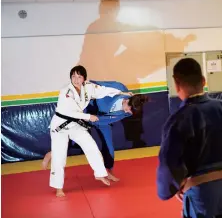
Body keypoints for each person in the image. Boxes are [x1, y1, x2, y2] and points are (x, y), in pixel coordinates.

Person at [156, 58, 222, 217]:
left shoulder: (178, 121)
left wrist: (172, 187)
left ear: (177, 85)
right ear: (203, 81)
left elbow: (169, 164)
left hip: (200, 200)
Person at [49, 65, 132, 197]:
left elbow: (104, 91)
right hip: (61, 126)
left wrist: (122, 93)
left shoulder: (88, 88)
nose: (76, 79)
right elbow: (69, 112)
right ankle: (58, 187)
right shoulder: (65, 92)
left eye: (79, 76)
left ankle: (100, 174)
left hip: (75, 125)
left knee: (91, 146)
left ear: (84, 78)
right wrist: (89, 117)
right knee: (60, 157)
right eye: (73, 76)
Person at [43, 81, 148, 182]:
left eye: (130, 112)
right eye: (128, 109)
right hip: (87, 114)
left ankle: (109, 171)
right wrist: (86, 83)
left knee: (109, 148)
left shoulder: (131, 109)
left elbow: (115, 116)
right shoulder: (118, 88)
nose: (127, 112)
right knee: (73, 141)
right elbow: (97, 85)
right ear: (126, 100)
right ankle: (51, 154)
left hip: (103, 122)